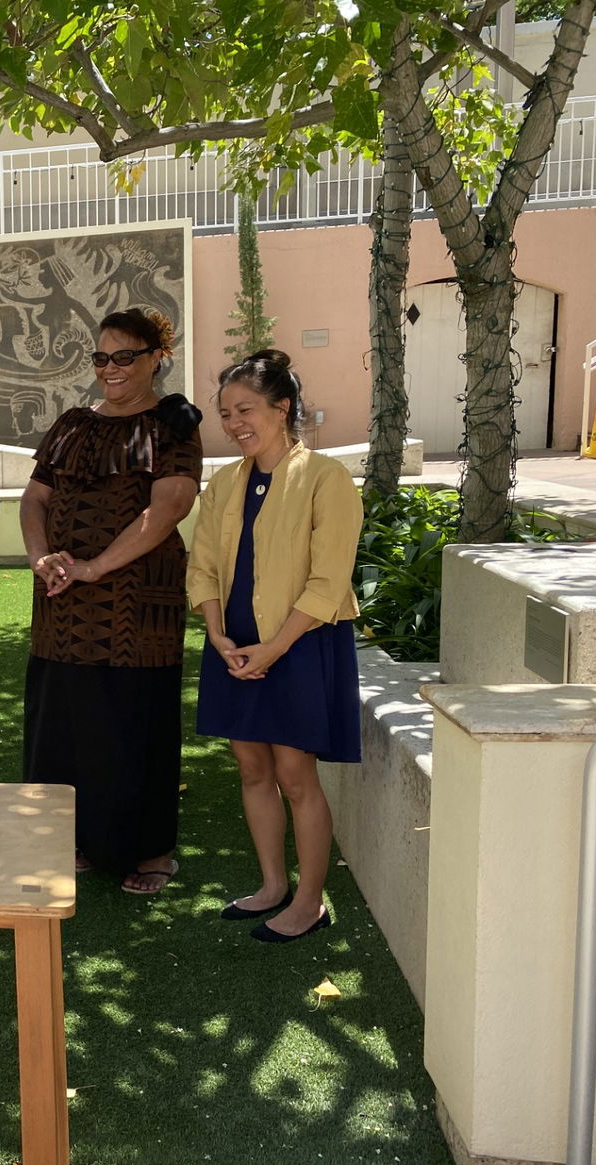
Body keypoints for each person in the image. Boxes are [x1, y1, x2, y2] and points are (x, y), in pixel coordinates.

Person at [20, 308, 202, 895]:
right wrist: (40, 556)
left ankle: (149, 851)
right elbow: (34, 498)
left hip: (136, 610)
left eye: (124, 356)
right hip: (62, 605)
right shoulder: (72, 423)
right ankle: (70, 838)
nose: (110, 368)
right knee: (64, 723)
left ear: (156, 358)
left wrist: (95, 566)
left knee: (133, 724)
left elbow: (168, 507)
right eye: (102, 357)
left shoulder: (172, 424)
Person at [188, 349, 363, 943]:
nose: (234, 423)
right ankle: (271, 886)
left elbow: (328, 580)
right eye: (225, 413)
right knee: (251, 766)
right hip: (234, 648)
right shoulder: (223, 483)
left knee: (294, 773)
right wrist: (218, 635)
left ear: (281, 408)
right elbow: (203, 566)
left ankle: (309, 902)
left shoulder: (325, 478)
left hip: (300, 645)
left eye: (246, 409)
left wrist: (273, 649)